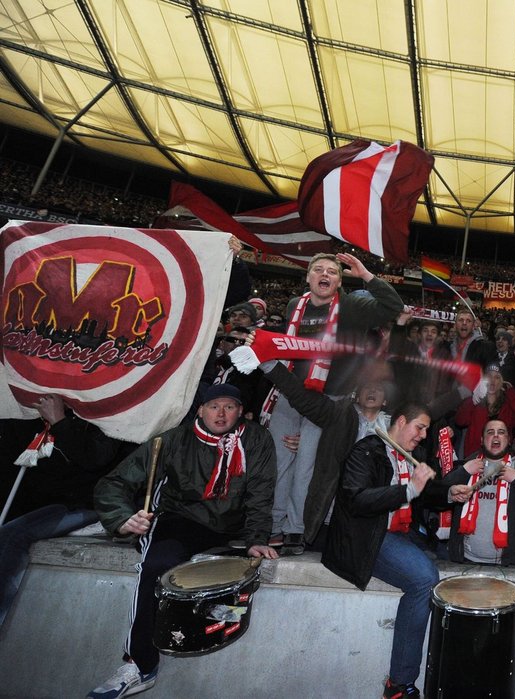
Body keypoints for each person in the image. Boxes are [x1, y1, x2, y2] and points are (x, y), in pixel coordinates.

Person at [89, 385, 278, 699]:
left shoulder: (256, 439)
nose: (221, 414)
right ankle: (140, 664)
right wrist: (123, 519)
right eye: (213, 406)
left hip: (231, 528)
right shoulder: (174, 439)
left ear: (240, 411)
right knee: (155, 567)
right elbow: (114, 483)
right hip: (181, 521)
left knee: (234, 581)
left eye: (229, 407)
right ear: (200, 410)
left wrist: (256, 539)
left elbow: (261, 492)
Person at [265, 252, 402, 555]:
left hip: (328, 402)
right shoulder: (293, 306)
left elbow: (393, 306)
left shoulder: (352, 306)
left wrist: (365, 274)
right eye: (318, 270)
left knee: (306, 466)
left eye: (332, 271)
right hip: (291, 395)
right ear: (308, 277)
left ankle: (296, 530)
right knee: (280, 461)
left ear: (340, 281)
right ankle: (273, 526)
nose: (324, 275)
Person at [322, 404, 459, 699]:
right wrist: (407, 491)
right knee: (424, 579)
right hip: (368, 538)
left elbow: (425, 492)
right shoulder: (368, 450)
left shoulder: (410, 455)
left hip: (401, 534)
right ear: (400, 421)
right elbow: (356, 499)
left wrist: (449, 492)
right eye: (419, 427)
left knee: (443, 564)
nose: (423, 435)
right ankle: (399, 684)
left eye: (426, 429)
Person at [0, 394, 132, 629]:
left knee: (12, 535)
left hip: (86, 502)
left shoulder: (104, 407)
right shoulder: (27, 409)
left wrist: (60, 421)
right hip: (44, 499)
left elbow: (96, 458)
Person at [445, 419, 515, 565]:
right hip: (466, 560)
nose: (496, 436)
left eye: (501, 432)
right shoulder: (467, 465)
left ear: (509, 440)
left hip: (509, 564)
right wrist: (462, 472)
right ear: (482, 440)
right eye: (490, 432)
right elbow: (438, 496)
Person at [454, 364, 515, 457]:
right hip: (475, 459)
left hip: (501, 459)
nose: (492, 381)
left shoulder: (508, 404)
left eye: (497, 377)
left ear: (502, 382)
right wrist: (472, 400)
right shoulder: (476, 401)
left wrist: (512, 394)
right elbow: (460, 421)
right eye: (488, 377)